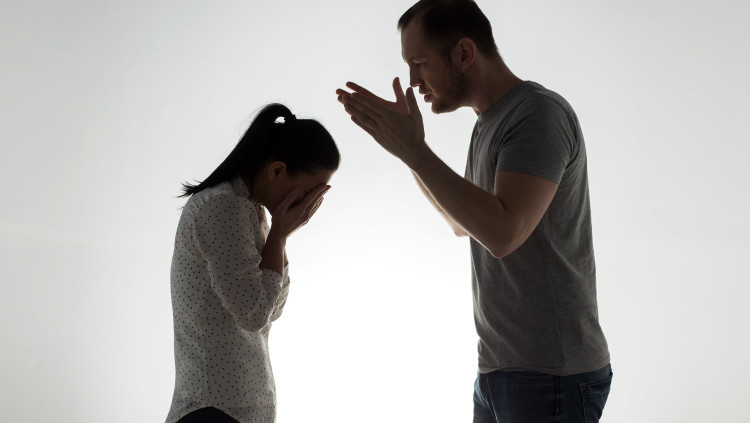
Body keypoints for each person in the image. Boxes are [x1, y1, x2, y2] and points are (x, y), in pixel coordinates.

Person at [336, 0, 611, 421]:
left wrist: (414, 149)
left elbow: (503, 234)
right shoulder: (489, 123)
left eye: (420, 63)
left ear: (464, 52)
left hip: (551, 374)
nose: (412, 81)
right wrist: (408, 153)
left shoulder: (538, 114)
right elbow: (462, 224)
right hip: (500, 368)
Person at [165, 104, 340, 423]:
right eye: (308, 192)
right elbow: (254, 315)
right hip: (213, 411)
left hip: (234, 411)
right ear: (276, 171)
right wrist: (279, 234)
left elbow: (274, 307)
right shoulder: (223, 207)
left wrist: (279, 236)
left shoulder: (251, 210)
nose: (309, 205)